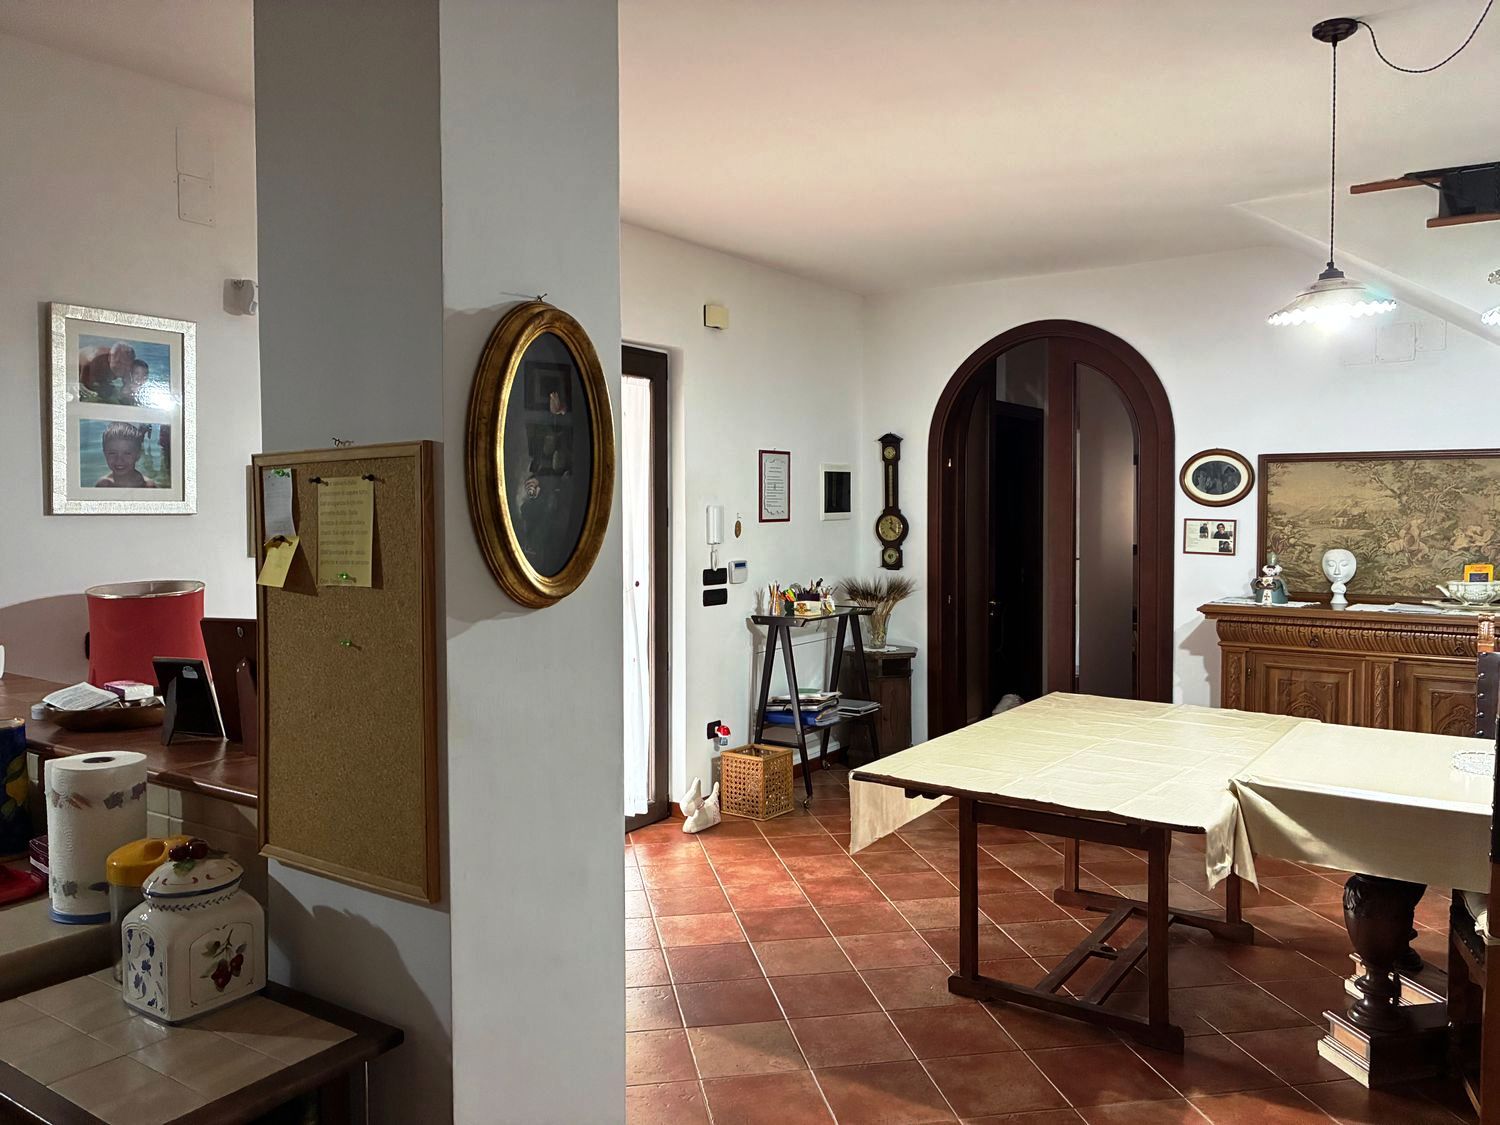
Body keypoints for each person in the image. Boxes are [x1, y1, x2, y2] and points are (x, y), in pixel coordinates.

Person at [93, 422, 157, 488]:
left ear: (138, 455)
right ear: (105, 454)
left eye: (127, 453)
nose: (119, 460)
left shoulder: (147, 486)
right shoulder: (103, 485)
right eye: (112, 453)